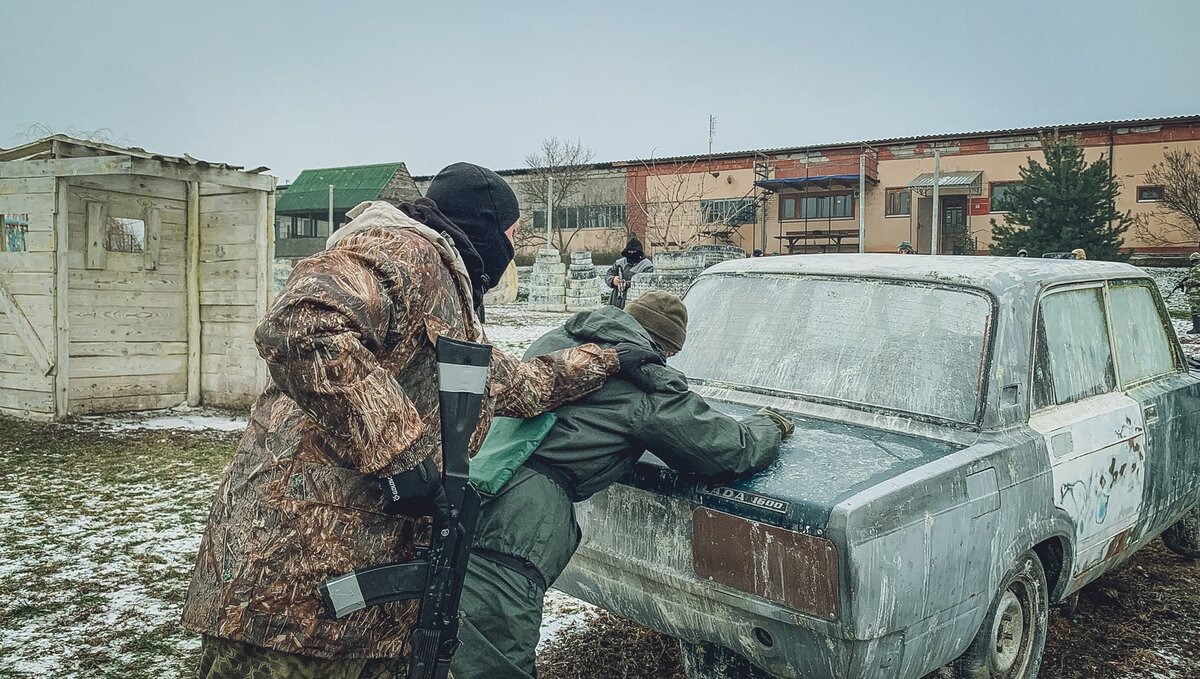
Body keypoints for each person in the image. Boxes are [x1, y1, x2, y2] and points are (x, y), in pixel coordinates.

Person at [180, 163, 665, 678]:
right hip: (294, 587)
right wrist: (402, 457)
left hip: (354, 596)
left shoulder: (446, 293)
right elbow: (302, 327)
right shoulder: (403, 249)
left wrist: (606, 360)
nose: (516, 244)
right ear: (484, 224)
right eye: (513, 231)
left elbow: (512, 384)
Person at [449, 291, 793, 679]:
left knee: (450, 636)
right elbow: (728, 450)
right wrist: (770, 425)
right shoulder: (645, 380)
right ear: (665, 347)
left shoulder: (562, 339)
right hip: (520, 519)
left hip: (477, 482)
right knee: (495, 656)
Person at [605, 237, 654, 308]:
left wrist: (627, 284)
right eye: (630, 252)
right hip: (615, 299)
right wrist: (613, 280)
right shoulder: (620, 262)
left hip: (635, 301)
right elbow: (608, 274)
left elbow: (645, 284)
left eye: (634, 252)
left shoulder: (647, 265)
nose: (631, 254)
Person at [1176, 252, 1200, 334]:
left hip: (1196, 292)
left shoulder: (1196, 268)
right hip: (1195, 291)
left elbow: (1196, 280)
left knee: (1195, 310)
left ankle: (1196, 328)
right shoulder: (1195, 268)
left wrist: (1184, 283)